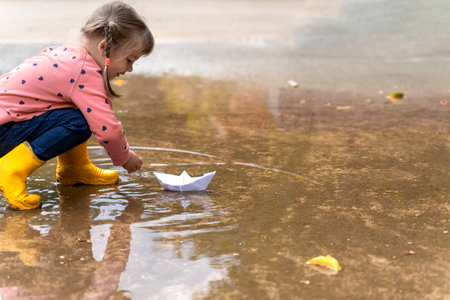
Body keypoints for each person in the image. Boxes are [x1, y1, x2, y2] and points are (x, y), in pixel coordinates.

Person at [0, 1, 154, 210]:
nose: (130, 69)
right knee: (81, 121)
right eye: (129, 60)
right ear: (104, 49)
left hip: (6, 124)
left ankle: (75, 170)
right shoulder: (84, 72)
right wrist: (125, 157)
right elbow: (107, 128)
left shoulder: (66, 55)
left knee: (77, 113)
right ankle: (11, 169)